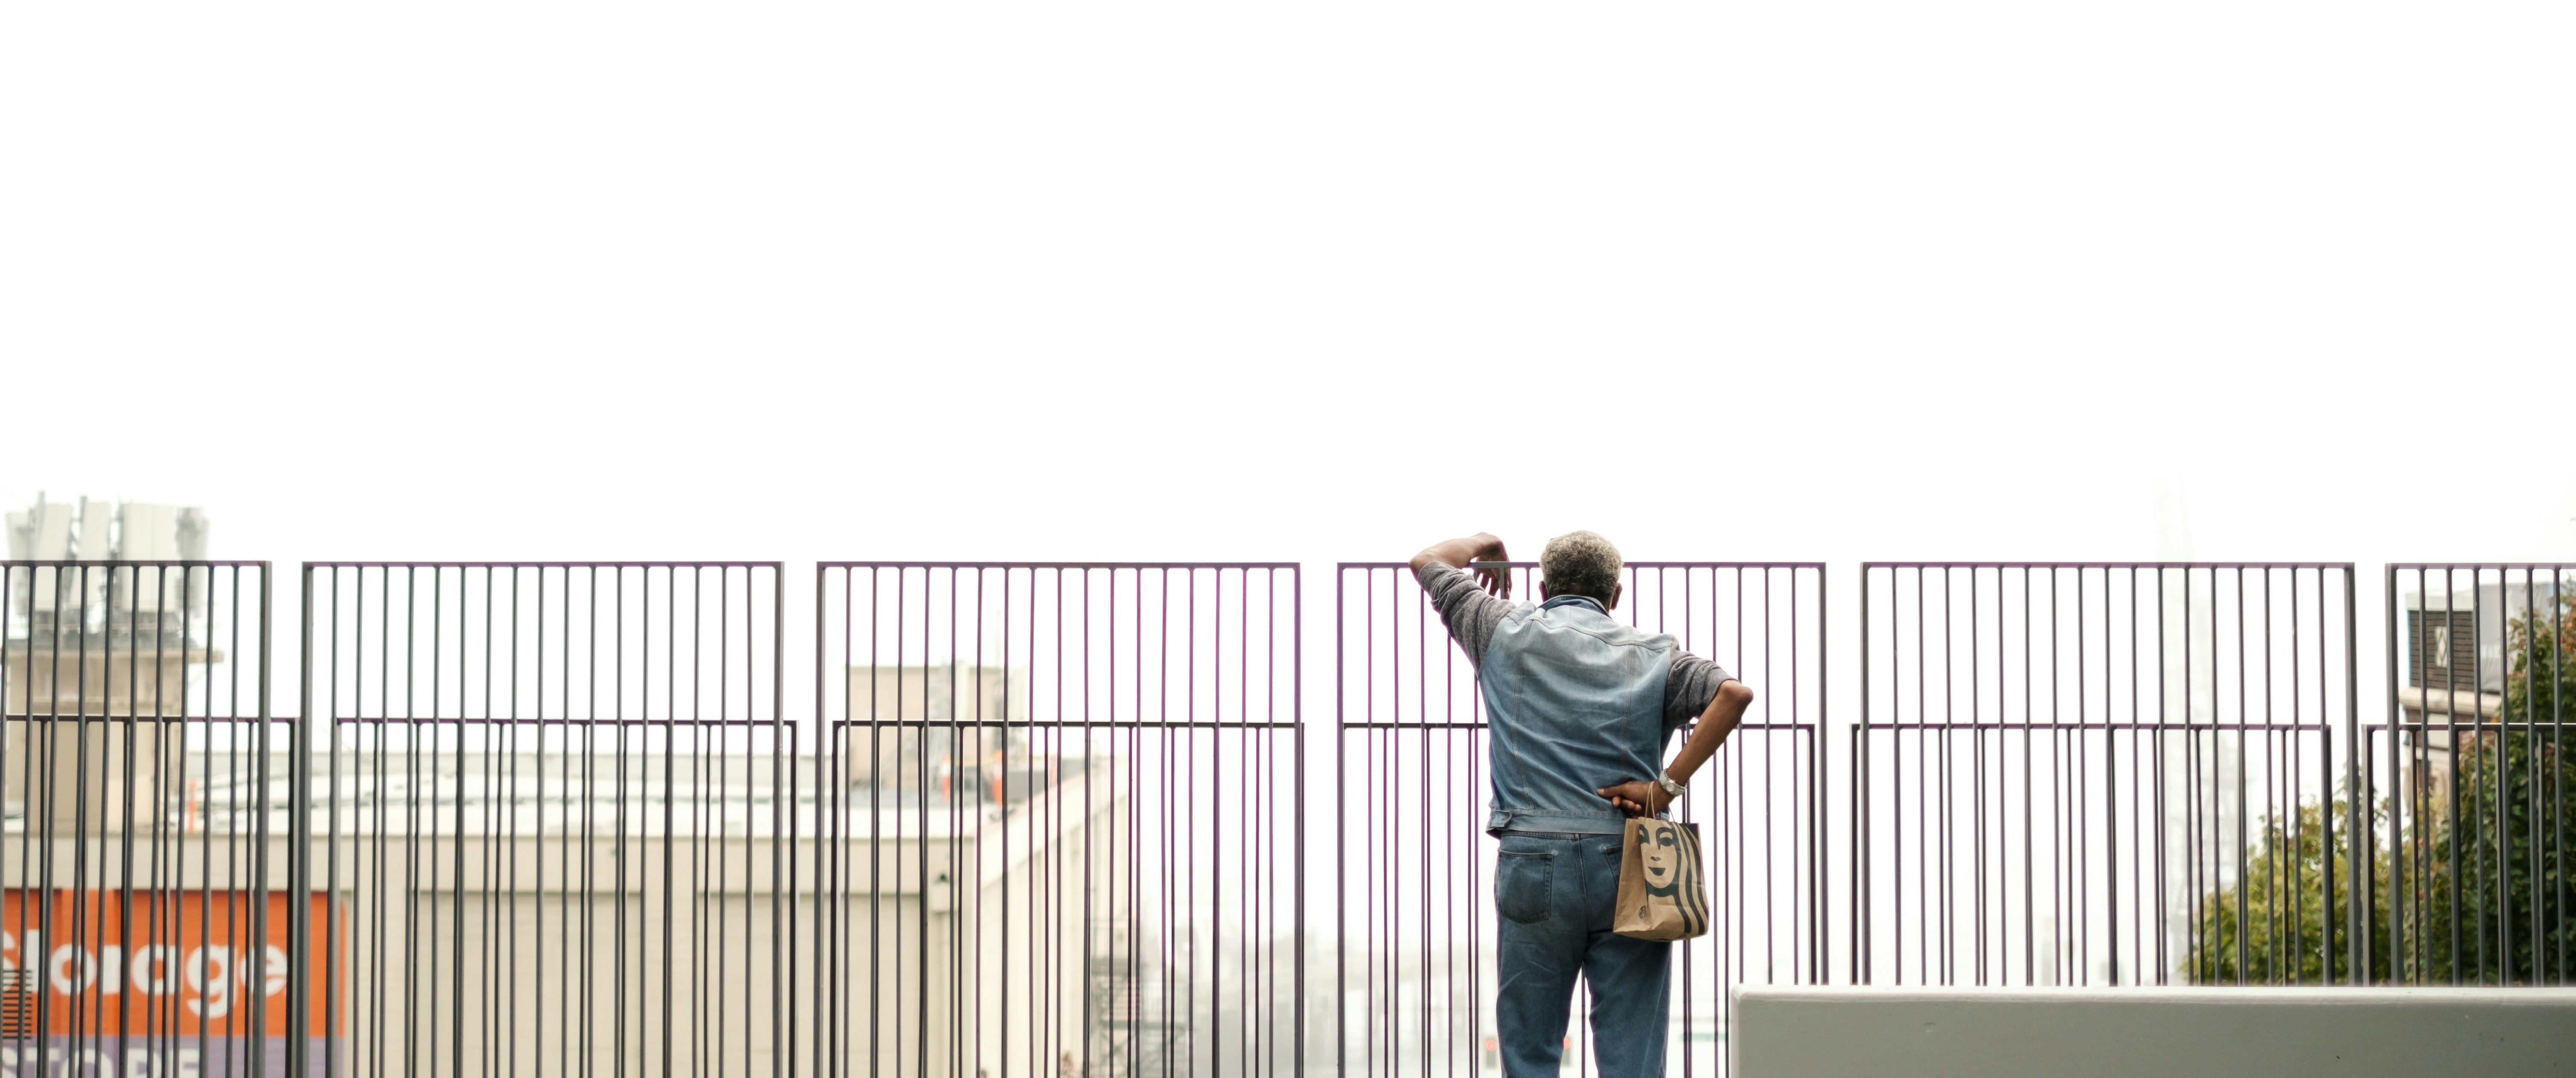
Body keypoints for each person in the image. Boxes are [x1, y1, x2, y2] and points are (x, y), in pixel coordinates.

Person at [1409, 530, 1754, 1078]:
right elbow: (1733, 695)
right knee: (1630, 1046)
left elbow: (1427, 559)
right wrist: (1663, 788)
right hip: (1630, 858)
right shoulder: (1656, 654)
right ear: (1615, 595)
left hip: (1531, 857)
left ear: (1543, 587)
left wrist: (1487, 544)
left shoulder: (1498, 628)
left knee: (1530, 1045)